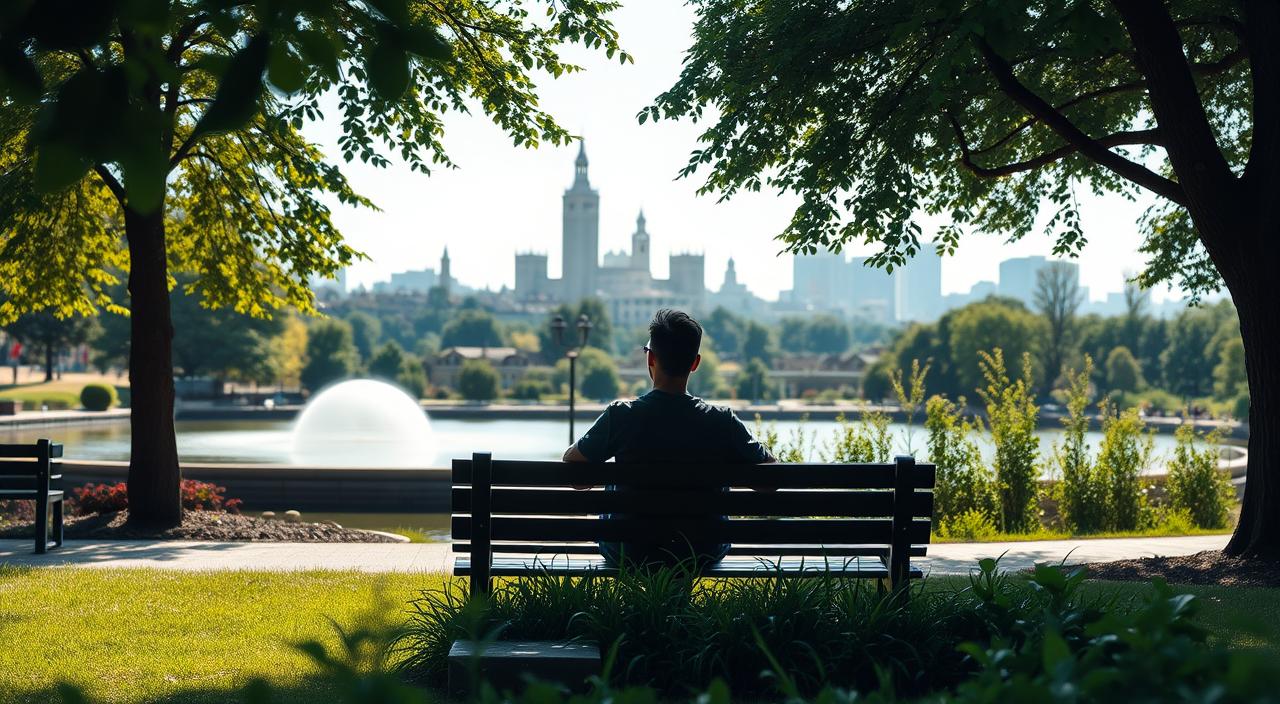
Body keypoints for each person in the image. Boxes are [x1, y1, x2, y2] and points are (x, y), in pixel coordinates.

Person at [562, 308, 776, 569]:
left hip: (629, 550)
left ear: (650, 358)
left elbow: (574, 473)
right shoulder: (722, 420)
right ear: (695, 363)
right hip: (701, 550)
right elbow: (770, 478)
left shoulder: (620, 416)